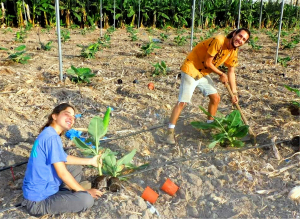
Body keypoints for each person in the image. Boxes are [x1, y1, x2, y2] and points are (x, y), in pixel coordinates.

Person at [166, 28, 251, 144]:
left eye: (244, 40)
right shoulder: (219, 41)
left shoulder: (233, 52)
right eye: (240, 36)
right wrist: (221, 74)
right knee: (183, 102)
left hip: (203, 73)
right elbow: (208, 62)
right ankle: (170, 131)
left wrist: (234, 92)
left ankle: (209, 127)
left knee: (215, 98)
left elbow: (231, 72)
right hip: (191, 68)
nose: (240, 40)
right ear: (234, 33)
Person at [22, 103, 103, 216]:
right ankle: (69, 195)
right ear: (54, 116)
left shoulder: (48, 133)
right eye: (67, 114)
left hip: (43, 190)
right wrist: (85, 192)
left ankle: (65, 194)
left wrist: (90, 161)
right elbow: (62, 173)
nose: (71, 118)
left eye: (73, 117)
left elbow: (63, 158)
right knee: (86, 200)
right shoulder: (51, 138)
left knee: (74, 167)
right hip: (38, 202)